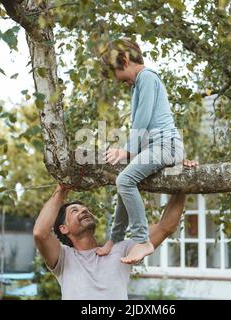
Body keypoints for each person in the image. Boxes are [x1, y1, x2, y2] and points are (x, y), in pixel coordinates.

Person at [32, 160, 196, 300]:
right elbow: (40, 232)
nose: (84, 211)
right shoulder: (64, 259)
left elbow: (165, 226)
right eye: (75, 211)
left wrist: (181, 177)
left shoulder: (121, 249)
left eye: (85, 209)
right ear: (63, 228)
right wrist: (61, 188)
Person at [97, 38, 185, 264]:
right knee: (124, 184)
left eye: (116, 73)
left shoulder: (146, 77)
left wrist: (127, 150)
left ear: (125, 61)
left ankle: (141, 240)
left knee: (124, 181)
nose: (118, 81)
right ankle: (115, 238)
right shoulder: (139, 84)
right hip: (155, 147)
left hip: (166, 146)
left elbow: (143, 118)